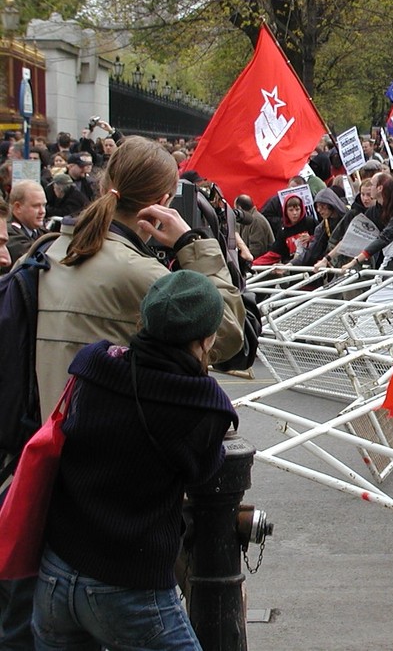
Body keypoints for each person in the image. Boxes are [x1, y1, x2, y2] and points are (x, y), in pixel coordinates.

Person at [0, 137, 245, 651]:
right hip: (119, 509)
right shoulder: (138, 272)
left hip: (41, 476)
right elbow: (224, 334)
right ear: (165, 196)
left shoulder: (50, 249)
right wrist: (191, 246)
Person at [30, 270, 239, 651]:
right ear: (207, 338)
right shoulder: (202, 405)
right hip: (128, 586)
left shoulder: (93, 364)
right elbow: (205, 473)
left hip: (56, 573)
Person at [341, 173, 393, 270]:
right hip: (388, 257)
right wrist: (327, 258)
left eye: (372, 184)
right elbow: (353, 233)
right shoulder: (374, 210)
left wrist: (355, 261)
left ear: (379, 188)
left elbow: (384, 238)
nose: (370, 188)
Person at [251, 194, 317, 266]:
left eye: (297, 209)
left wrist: (311, 238)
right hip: (292, 267)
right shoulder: (283, 230)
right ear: (285, 211)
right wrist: (254, 263)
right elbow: (275, 253)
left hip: (312, 265)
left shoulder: (310, 222)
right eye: (291, 210)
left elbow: (322, 240)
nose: (294, 213)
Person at [3, 181, 46, 271]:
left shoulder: (39, 230)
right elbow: (34, 256)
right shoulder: (7, 232)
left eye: (44, 205)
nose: (42, 211)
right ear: (18, 207)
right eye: (36, 206)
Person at [234, 194, 275, 261]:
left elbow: (256, 250)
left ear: (239, 208)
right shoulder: (246, 220)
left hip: (262, 265)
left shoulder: (257, 222)